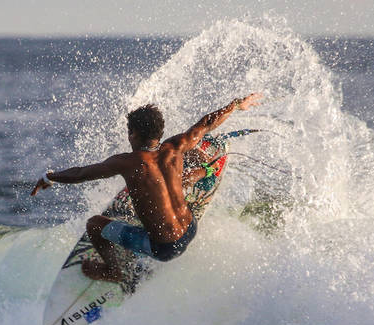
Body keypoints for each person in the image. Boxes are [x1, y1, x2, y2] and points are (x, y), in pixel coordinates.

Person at [31, 93, 263, 281]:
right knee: (190, 155)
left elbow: (81, 174)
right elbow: (206, 123)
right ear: (159, 132)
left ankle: (115, 272)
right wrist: (235, 105)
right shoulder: (175, 146)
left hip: (164, 248)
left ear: (133, 134)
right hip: (191, 228)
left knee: (94, 224)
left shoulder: (129, 163)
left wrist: (50, 177)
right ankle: (200, 173)